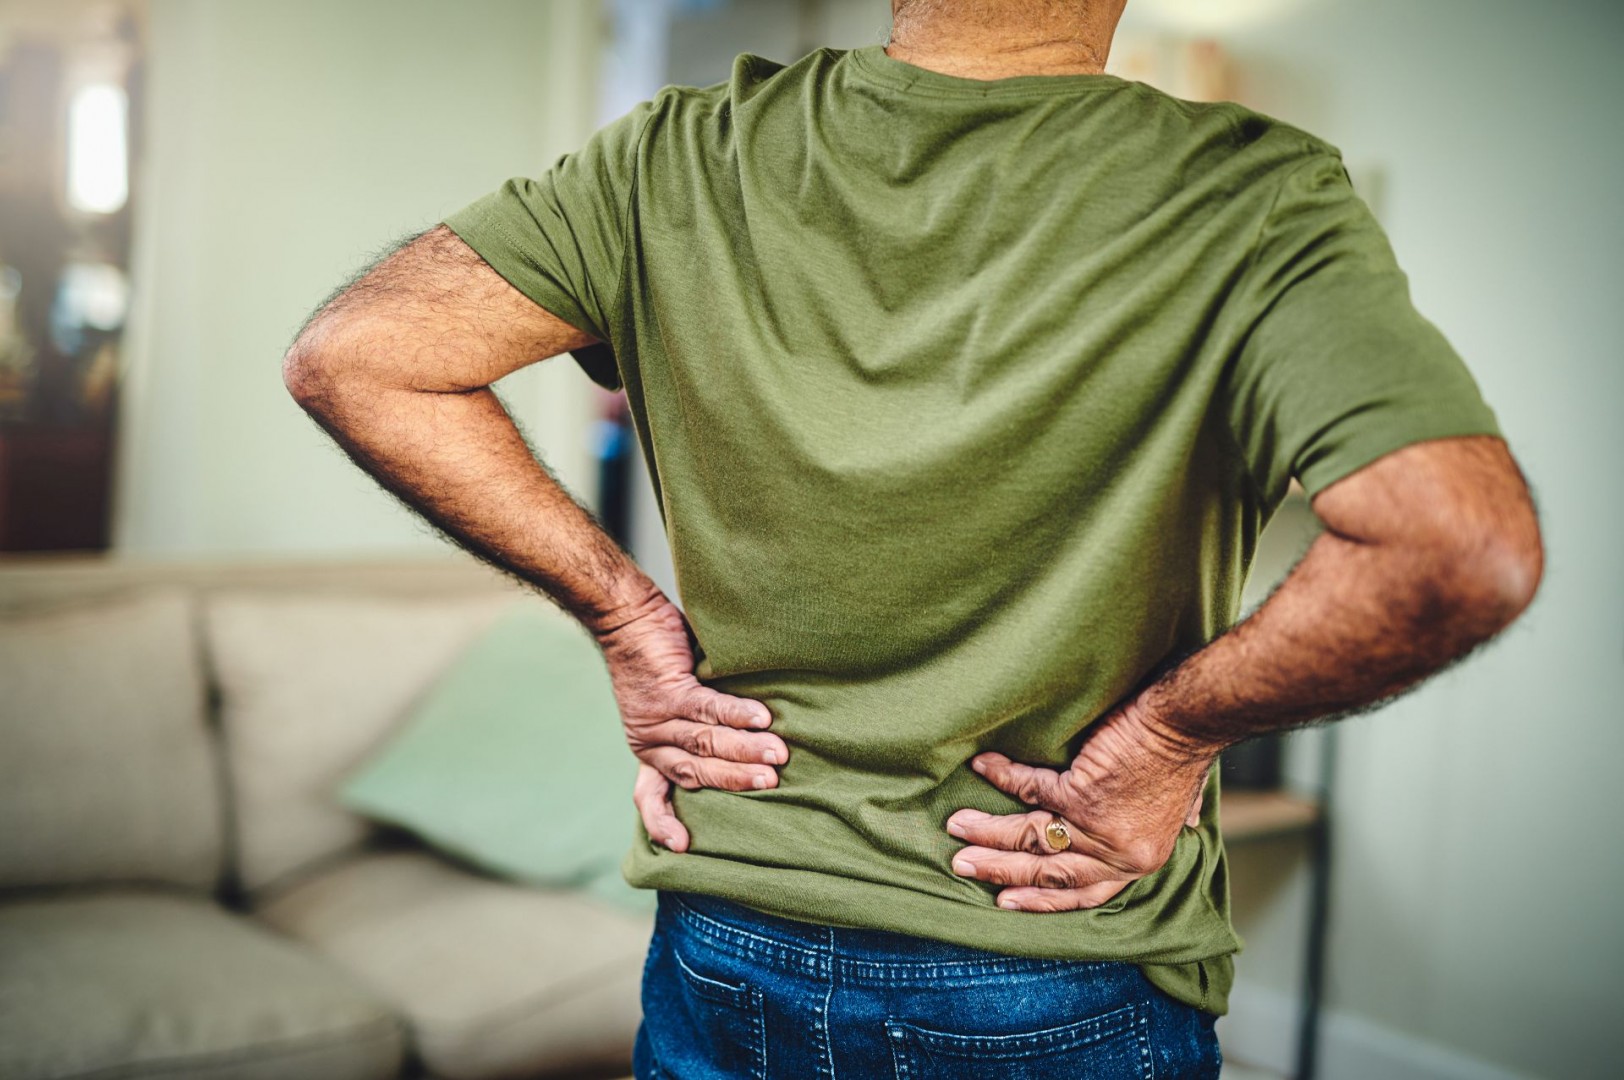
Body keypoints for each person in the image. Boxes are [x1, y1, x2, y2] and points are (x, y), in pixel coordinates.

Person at [282, 1, 1544, 1075]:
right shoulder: (1247, 197)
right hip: (1046, 954)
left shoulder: (675, 157)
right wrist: (1169, 738)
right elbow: (1454, 544)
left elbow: (359, 354)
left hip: (728, 933)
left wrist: (624, 613)